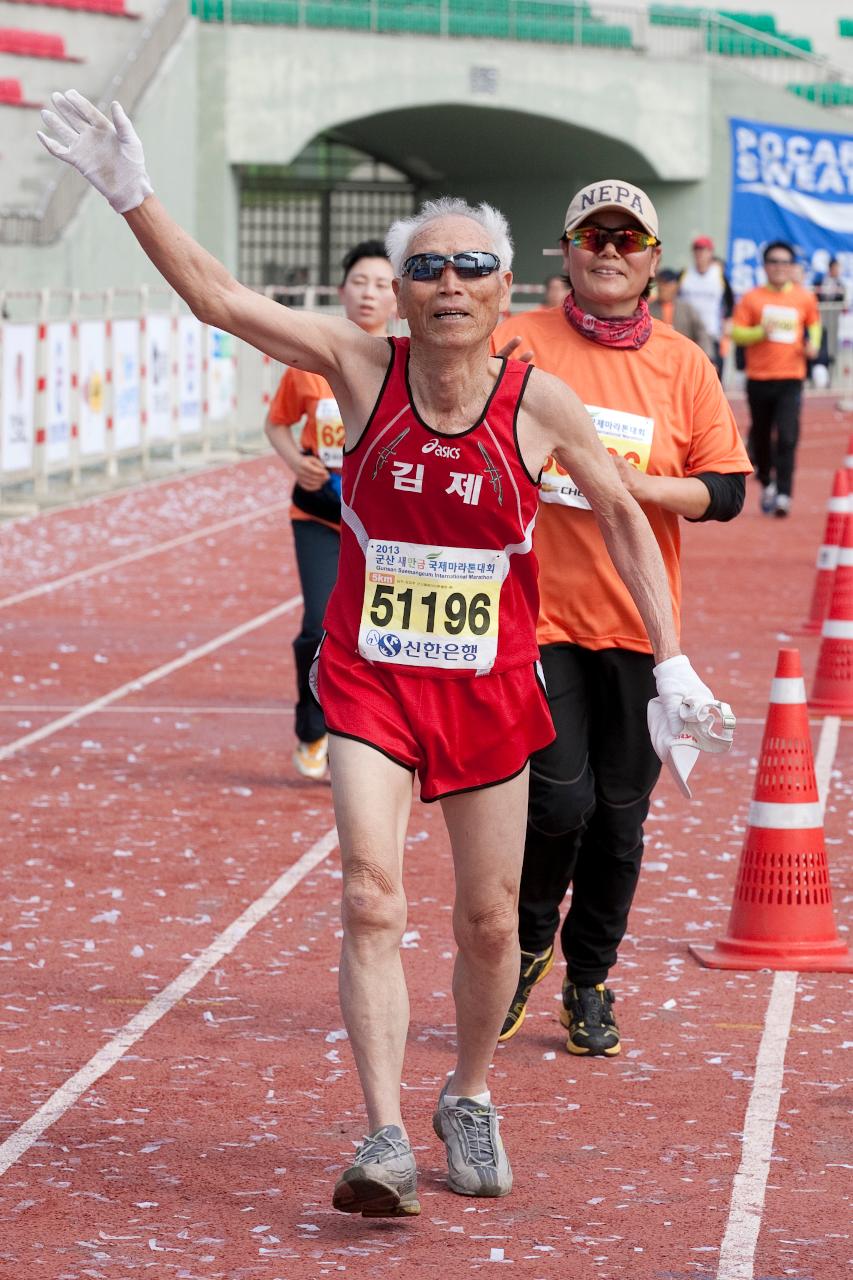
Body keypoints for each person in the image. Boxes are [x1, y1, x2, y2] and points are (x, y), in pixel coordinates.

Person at [38, 95, 732, 1217]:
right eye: (427, 267)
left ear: (507, 290)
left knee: (490, 918)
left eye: (471, 265)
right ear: (403, 289)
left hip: (490, 687)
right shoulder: (358, 367)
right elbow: (220, 299)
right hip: (369, 678)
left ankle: (465, 1091)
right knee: (369, 893)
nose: (448, 282)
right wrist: (133, 194)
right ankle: (381, 1132)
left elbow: (617, 518)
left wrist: (672, 665)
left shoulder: (538, 400)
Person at [492, 179, 750, 1057]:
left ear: (651, 261)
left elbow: (722, 492)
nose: (608, 251)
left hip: (640, 628)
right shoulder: (515, 341)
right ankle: (526, 945)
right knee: (557, 802)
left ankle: (588, 977)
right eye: (591, 237)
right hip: (537, 618)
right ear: (564, 251)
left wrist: (629, 486)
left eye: (626, 239)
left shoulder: (681, 364)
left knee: (619, 818)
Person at [264, 240, 396, 780]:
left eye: (383, 284)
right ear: (341, 291)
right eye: (360, 282)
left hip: (384, 524)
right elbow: (276, 425)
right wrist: (298, 461)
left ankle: (368, 738)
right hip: (320, 513)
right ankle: (312, 725)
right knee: (317, 625)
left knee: (377, 633)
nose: (370, 293)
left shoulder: (405, 366)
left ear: (400, 297)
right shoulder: (309, 363)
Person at [732, 240, 821, 518]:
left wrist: (813, 346)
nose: (779, 267)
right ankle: (768, 483)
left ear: (792, 266)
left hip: (791, 377)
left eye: (784, 262)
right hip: (759, 378)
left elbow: (814, 325)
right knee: (760, 436)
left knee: (787, 436)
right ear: (765, 266)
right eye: (773, 262)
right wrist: (761, 331)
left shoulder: (804, 298)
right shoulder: (752, 298)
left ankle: (784, 493)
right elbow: (737, 333)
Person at [677, 235, 734, 379]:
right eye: (697, 250)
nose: (700, 253)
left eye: (703, 250)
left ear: (710, 252)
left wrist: (728, 321)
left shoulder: (719, 275)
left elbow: (730, 300)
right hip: (687, 335)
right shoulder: (685, 274)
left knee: (712, 375)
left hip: (711, 333)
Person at [648, 267, 713, 357]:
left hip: (683, 357)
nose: (663, 288)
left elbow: (701, 333)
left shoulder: (686, 309)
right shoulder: (649, 310)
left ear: (675, 286)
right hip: (656, 356)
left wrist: (707, 356)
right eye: (661, 284)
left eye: (667, 284)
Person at [812, 257, 848, 387]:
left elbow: (843, 301)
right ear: (830, 268)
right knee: (820, 346)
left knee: (832, 347)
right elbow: (814, 296)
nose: (837, 270)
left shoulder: (840, 284)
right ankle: (817, 375)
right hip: (820, 319)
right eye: (835, 268)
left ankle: (831, 377)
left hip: (833, 320)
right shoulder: (820, 281)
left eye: (839, 268)